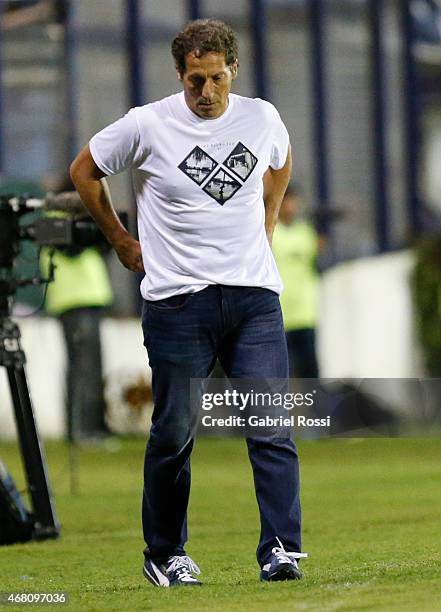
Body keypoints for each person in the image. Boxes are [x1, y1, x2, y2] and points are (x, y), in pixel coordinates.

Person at [70, 18, 307, 587]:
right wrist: (121, 238)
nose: (206, 93)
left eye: (216, 79)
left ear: (234, 71)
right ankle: (165, 552)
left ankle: (280, 548)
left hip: (253, 299)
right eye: (195, 81)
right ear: (180, 74)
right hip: (179, 304)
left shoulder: (261, 117)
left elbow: (280, 163)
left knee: (271, 425)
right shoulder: (147, 124)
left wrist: (268, 221)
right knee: (174, 432)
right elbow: (85, 171)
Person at [41, 178, 113, 442]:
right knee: (82, 367)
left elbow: (104, 246)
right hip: (72, 301)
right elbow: (70, 249)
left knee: (92, 368)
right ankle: (80, 430)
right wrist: (88, 225)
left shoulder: (83, 218)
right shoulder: (53, 217)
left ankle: (92, 426)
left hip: (91, 298)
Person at [272, 184, 320, 378]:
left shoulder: (306, 232)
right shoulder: (271, 231)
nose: (291, 206)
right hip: (281, 315)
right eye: (287, 201)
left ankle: (314, 408)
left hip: (305, 313)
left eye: (294, 201)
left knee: (310, 372)